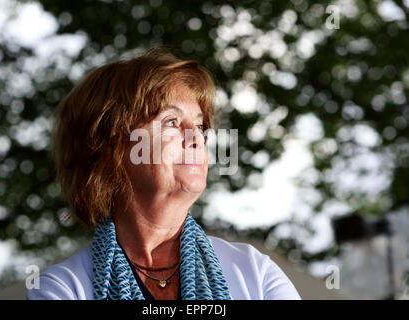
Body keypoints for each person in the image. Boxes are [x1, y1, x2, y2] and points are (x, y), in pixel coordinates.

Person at [26, 46, 301, 300]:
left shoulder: (255, 272)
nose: (196, 137)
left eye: (200, 125)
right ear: (111, 145)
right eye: (171, 121)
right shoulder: (63, 287)